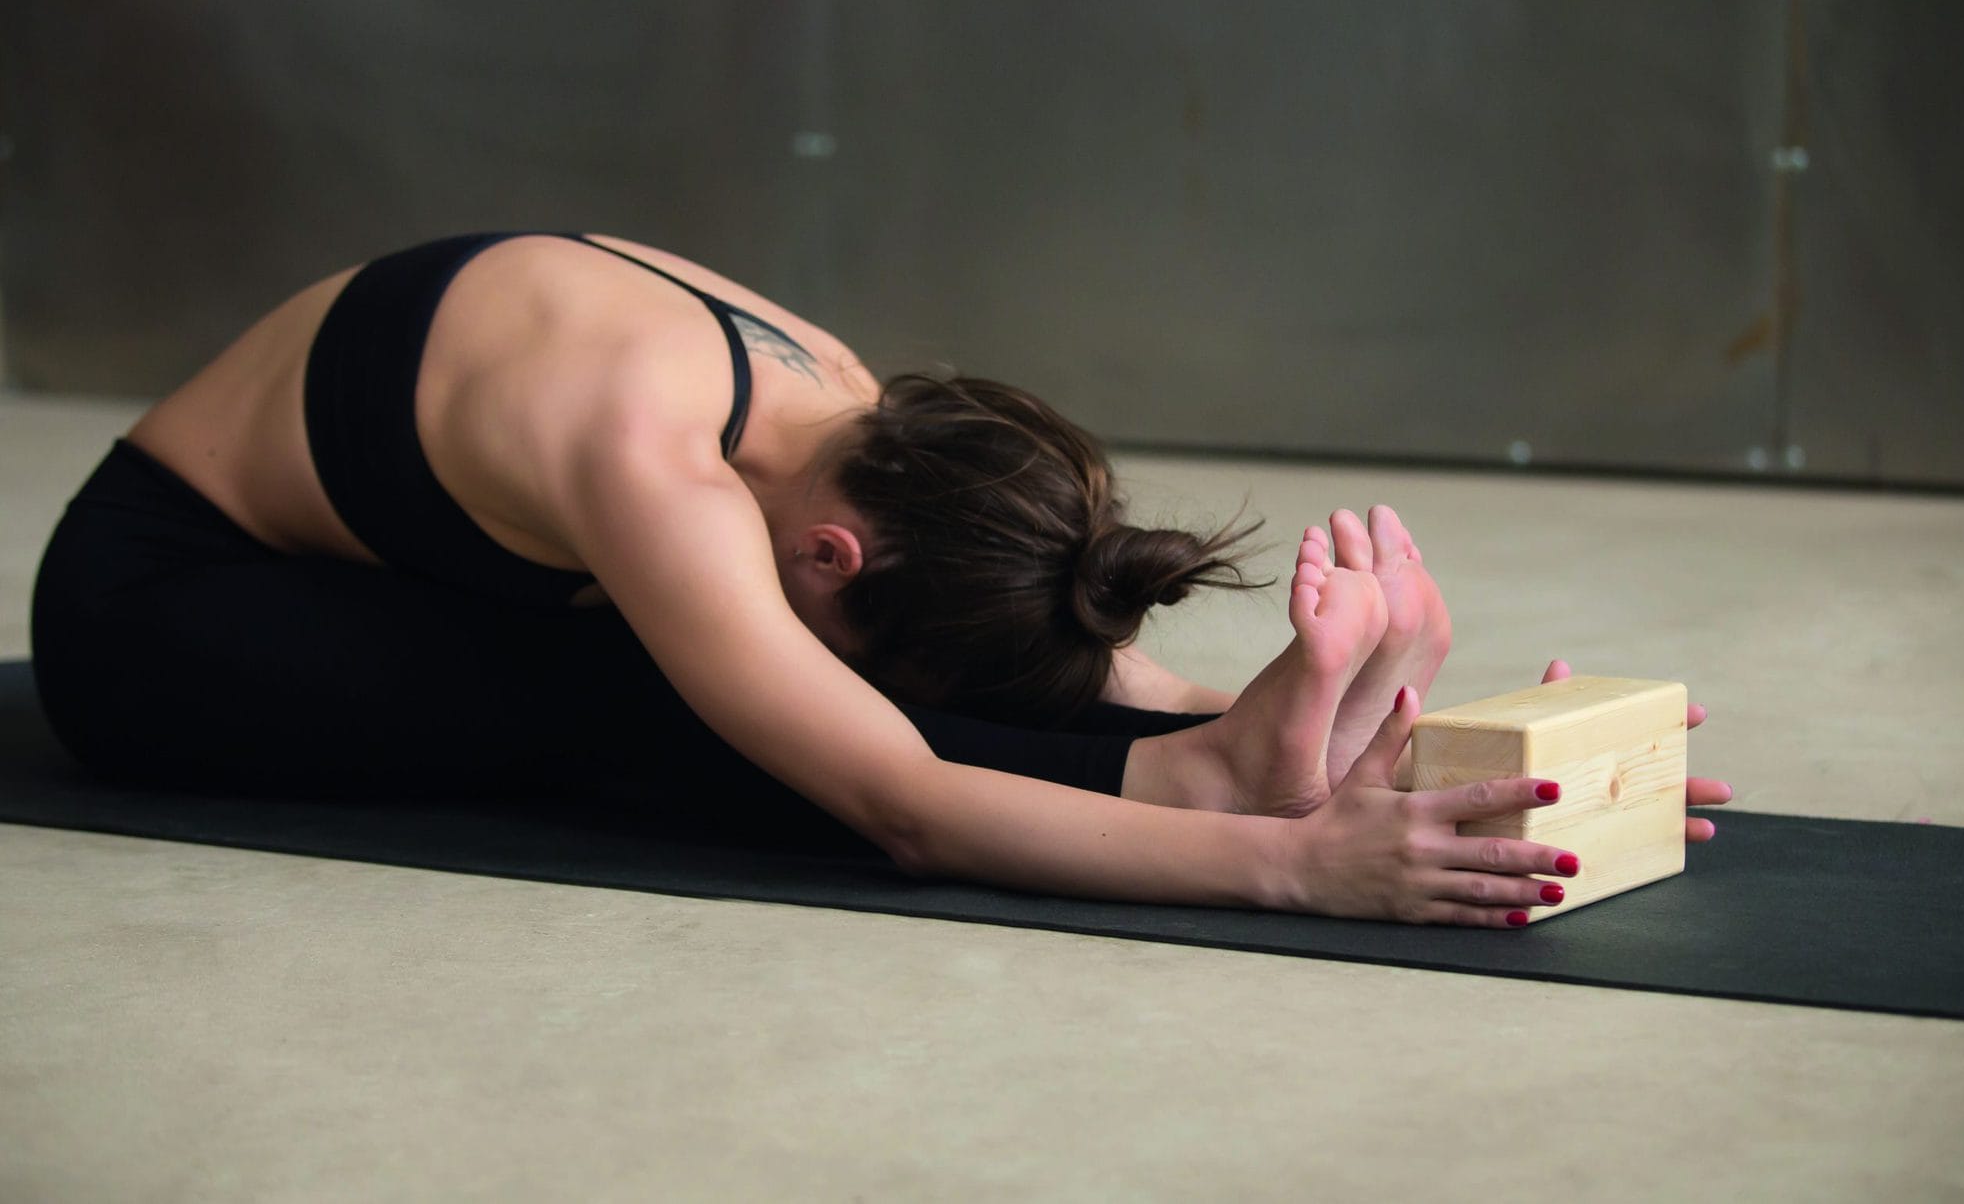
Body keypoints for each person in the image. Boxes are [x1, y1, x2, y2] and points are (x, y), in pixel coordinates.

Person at [29, 232, 1729, 926]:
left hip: (380, 588)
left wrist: (1408, 747)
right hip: (162, 615)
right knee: (665, 697)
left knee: (766, 664)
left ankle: (1213, 756)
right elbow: (896, 791)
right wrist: (1285, 867)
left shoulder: (840, 412)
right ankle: (1209, 785)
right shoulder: (655, 455)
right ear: (833, 549)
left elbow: (939, 656)